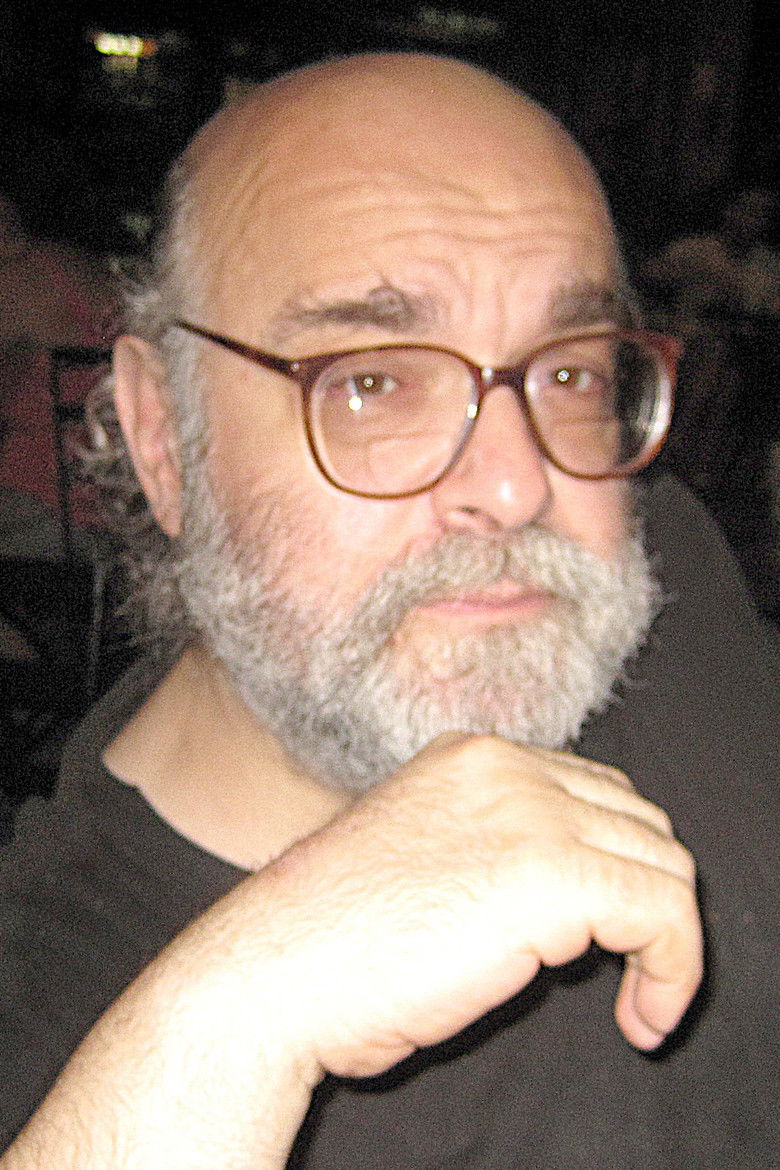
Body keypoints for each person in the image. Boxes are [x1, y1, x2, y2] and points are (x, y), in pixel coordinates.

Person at [1, 52, 778, 1169]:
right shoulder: (44, 1032)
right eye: (372, 382)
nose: (516, 487)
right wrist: (228, 1030)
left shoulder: (679, 584)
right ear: (164, 438)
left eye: (569, 373)